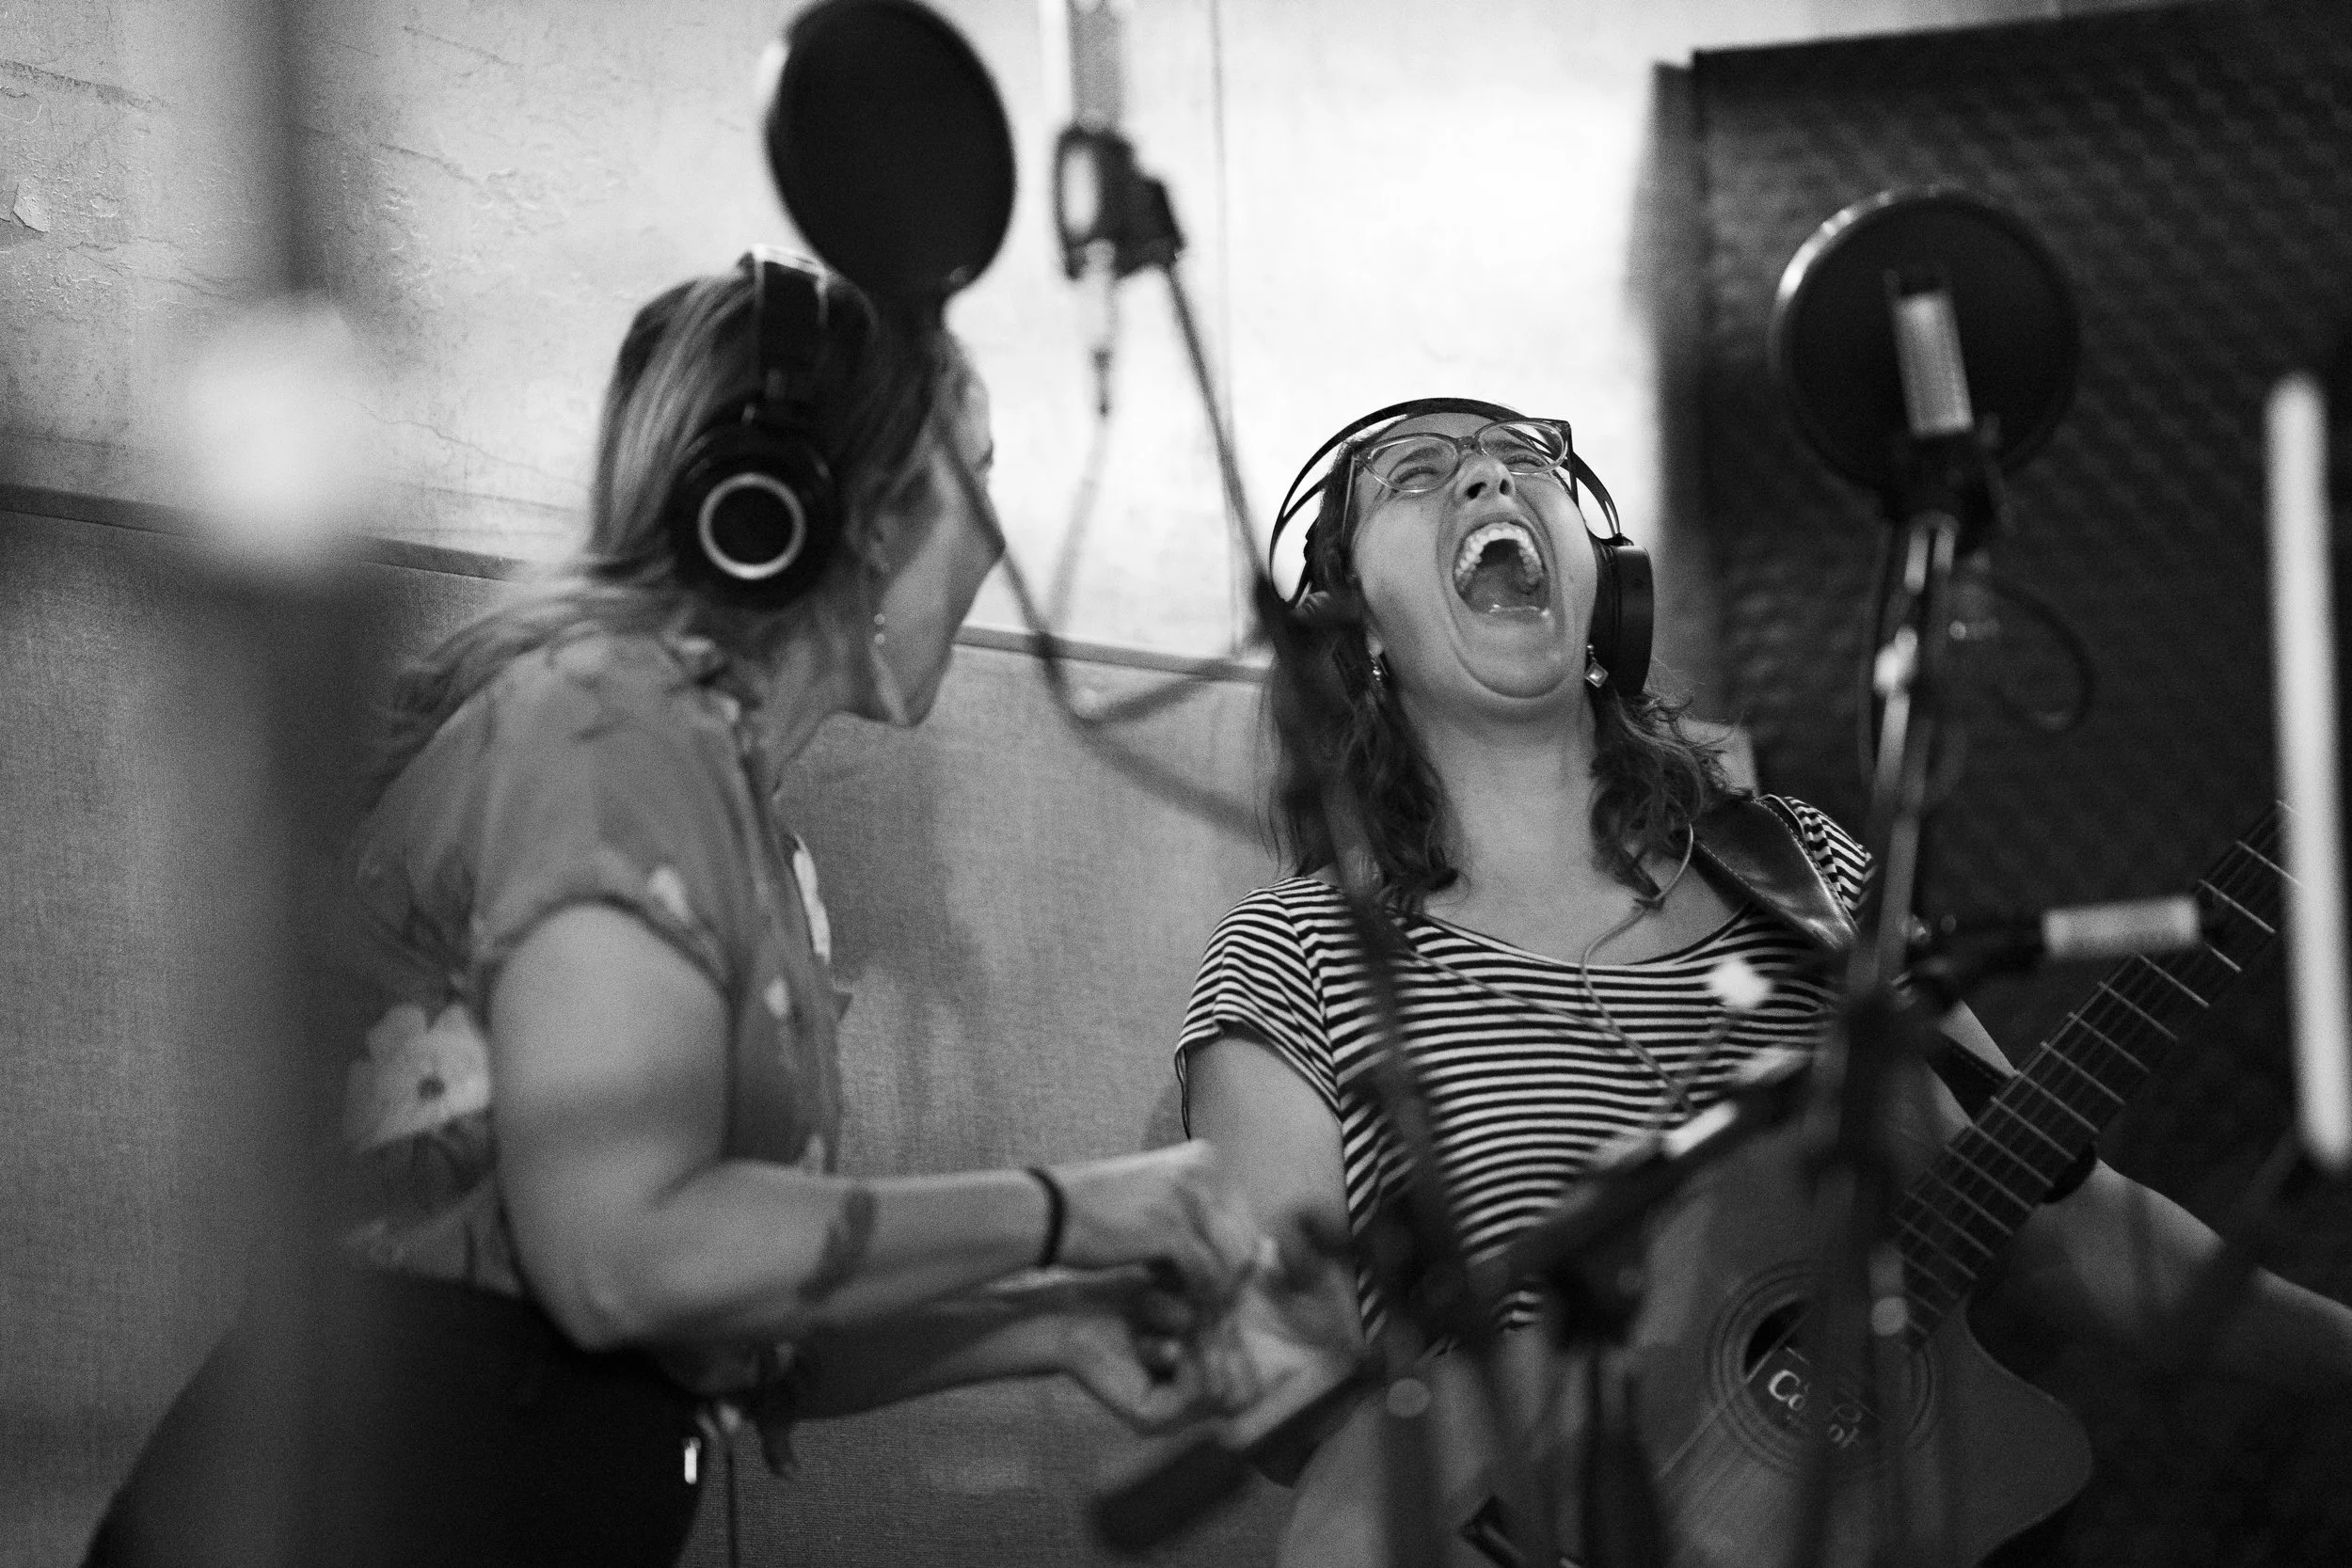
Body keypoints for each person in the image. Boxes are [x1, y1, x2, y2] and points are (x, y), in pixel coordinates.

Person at [85, 255, 1262, 1568]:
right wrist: (1079, 1204)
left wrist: (1056, 1319)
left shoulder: (729, 810)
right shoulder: (611, 728)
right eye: (974, 472)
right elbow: (622, 1255)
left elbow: (722, 1298)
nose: (997, 534)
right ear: (860, 519)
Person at [1182, 401, 2352, 1566]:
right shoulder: (1300, 953)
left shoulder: (1807, 868)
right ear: (1357, 634)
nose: (1487, 481)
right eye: (1418, 477)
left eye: (1520, 461)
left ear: (1610, 590)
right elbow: (1282, 1387)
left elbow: (2067, 1228)